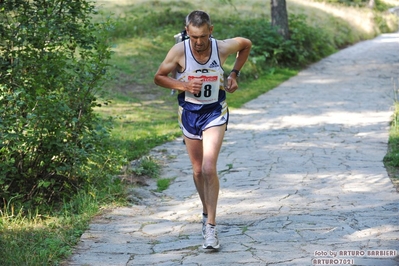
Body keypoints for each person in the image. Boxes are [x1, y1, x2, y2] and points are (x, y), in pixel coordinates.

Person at [154, 10, 252, 250]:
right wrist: (183, 84)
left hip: (214, 111)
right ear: (187, 31)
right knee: (197, 170)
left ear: (211, 30)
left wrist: (234, 74)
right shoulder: (180, 51)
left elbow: (246, 44)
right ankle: (205, 208)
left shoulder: (220, 48)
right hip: (189, 112)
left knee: (209, 167)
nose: (199, 42)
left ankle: (211, 226)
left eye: (203, 36)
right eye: (194, 36)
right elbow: (158, 77)